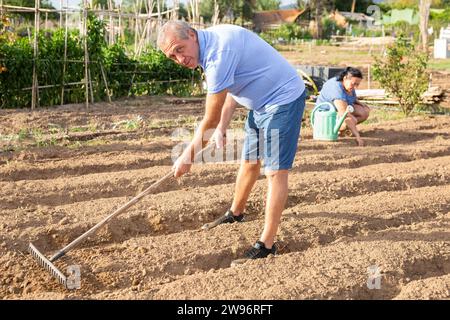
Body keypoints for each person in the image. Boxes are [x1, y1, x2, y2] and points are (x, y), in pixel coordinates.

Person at [157, 21, 306, 264]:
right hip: (259, 105)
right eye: (172, 56)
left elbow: (209, 120)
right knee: (249, 161)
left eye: (180, 49)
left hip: (283, 100)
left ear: (192, 35)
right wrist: (223, 128)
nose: (179, 59)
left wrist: (187, 156)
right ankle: (236, 213)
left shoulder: (218, 53)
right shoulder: (208, 46)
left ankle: (267, 244)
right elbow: (231, 89)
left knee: (275, 171)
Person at [315, 67, 370, 146]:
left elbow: (352, 98)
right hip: (325, 116)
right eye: (354, 84)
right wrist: (358, 137)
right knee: (351, 119)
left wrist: (361, 104)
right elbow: (344, 113)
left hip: (338, 110)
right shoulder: (335, 88)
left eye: (357, 84)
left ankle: (346, 127)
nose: (355, 87)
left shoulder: (348, 84)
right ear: (345, 78)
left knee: (364, 111)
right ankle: (337, 129)